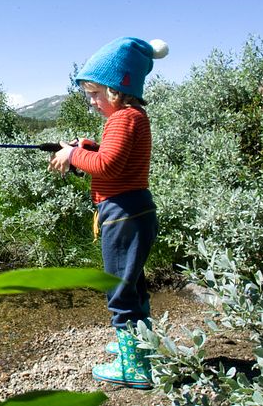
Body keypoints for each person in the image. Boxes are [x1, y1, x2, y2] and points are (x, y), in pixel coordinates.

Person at [49, 36, 168, 389]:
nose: (92, 102)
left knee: (119, 289)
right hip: (136, 211)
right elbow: (113, 158)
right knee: (132, 285)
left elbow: (108, 165)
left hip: (121, 214)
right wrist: (86, 148)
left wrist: (73, 155)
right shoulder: (134, 118)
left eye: (95, 94)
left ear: (118, 88)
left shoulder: (122, 119)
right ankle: (139, 348)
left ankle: (135, 369)